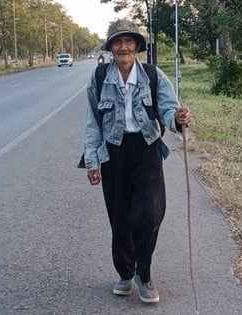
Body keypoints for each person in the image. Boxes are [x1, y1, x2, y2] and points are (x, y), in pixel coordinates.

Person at [82, 18, 191, 304]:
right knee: (119, 218)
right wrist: (93, 161)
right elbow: (93, 122)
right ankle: (125, 273)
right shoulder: (99, 78)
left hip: (147, 150)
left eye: (128, 41)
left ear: (137, 46)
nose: (123, 46)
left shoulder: (154, 76)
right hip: (114, 153)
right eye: (117, 41)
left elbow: (168, 109)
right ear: (111, 47)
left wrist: (177, 119)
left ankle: (145, 273)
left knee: (149, 214)